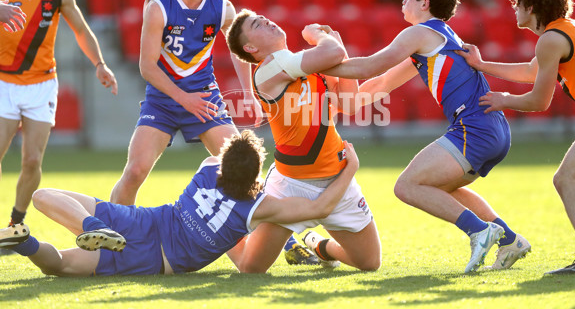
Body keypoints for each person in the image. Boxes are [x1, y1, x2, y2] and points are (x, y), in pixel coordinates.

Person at [108, 0, 315, 265]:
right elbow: (147, 67)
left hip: (204, 98)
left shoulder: (222, 8)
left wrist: (249, 93)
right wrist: (182, 98)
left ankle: (287, 242)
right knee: (134, 172)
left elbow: (239, 51)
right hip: (163, 100)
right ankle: (110, 234)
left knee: (246, 171)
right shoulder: (156, 6)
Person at [325, 0, 530, 272]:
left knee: (407, 186)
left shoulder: (420, 33)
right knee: (438, 188)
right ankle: (510, 240)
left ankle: (480, 231)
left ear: (425, 4)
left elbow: (372, 64)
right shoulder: (434, 39)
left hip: (473, 128)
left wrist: (320, 61)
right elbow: (378, 85)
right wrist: (335, 102)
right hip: (491, 128)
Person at [0, 131, 359, 276]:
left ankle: (88, 227)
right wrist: (350, 168)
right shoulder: (259, 207)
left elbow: (226, 159)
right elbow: (320, 208)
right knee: (59, 266)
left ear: (223, 160)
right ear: (255, 176)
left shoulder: (207, 167)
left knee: (42, 196)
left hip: (140, 221)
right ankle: (29, 244)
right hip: (154, 259)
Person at [457, 0, 575, 274]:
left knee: (566, 180)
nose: (514, 7)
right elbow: (531, 70)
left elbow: (539, 101)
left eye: (517, 1)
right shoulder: (565, 29)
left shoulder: (551, 39)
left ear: (531, 5)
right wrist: (482, 65)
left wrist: (503, 100)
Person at [226, 10, 382, 272]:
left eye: (264, 17)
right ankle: (225, 213)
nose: (266, 20)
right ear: (251, 47)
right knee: (250, 268)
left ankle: (316, 244)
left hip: (336, 176)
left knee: (369, 263)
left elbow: (349, 103)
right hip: (291, 186)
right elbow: (331, 52)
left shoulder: (305, 62)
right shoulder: (267, 71)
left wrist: (340, 49)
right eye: (256, 24)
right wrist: (318, 35)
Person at [0, 0, 118, 251]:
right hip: (4, 84)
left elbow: (81, 29)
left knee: (31, 162)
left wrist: (100, 64)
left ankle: (16, 222)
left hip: (41, 85)